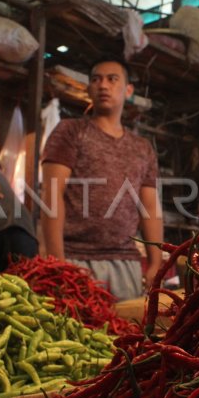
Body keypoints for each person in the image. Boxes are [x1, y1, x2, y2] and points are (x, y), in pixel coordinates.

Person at [40, 57, 162, 301]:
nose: (103, 85)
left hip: (125, 262)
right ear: (88, 89)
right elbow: (52, 195)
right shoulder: (70, 131)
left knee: (124, 334)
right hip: (75, 258)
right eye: (96, 79)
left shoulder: (143, 148)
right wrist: (57, 263)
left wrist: (156, 263)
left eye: (112, 79)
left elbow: (149, 206)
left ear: (128, 90)